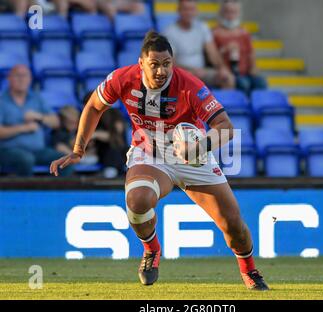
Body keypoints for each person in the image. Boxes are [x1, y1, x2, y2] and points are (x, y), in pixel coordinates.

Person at [50, 31, 269, 290]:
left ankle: (250, 270)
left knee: (233, 224)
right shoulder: (122, 78)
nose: (161, 71)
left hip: (193, 156)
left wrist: (200, 146)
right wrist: (78, 148)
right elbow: (95, 106)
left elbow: (226, 127)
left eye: (167, 64)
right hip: (149, 153)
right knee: (137, 200)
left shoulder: (190, 85)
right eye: (154, 64)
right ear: (141, 63)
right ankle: (152, 250)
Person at [0, 65, 73, 176]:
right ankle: (24, 192)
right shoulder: (2, 100)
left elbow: (56, 122)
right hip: (8, 150)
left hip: (38, 150)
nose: (21, 79)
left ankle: (53, 192)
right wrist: (23, 128)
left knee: (65, 160)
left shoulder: (37, 98)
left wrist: (39, 117)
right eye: (17, 75)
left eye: (24, 75)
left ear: (30, 79)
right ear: (9, 78)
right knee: (26, 160)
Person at [163, 0, 235, 89]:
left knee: (228, 78)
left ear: (196, 11)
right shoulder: (170, 32)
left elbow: (213, 53)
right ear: (178, 10)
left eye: (192, 9)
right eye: (185, 9)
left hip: (202, 72)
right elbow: (171, 62)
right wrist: (192, 71)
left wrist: (222, 67)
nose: (189, 13)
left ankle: (225, 103)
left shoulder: (202, 27)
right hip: (180, 73)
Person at [213, 0, 267, 95]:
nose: (230, 16)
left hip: (246, 72)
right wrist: (224, 50)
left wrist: (253, 67)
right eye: (227, 12)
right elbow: (212, 56)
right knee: (244, 84)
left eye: (233, 12)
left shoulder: (244, 32)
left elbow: (251, 52)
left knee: (261, 83)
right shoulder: (215, 33)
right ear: (221, 13)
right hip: (229, 74)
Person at [6, 0, 96, 18]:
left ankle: (62, 28)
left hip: (52, 5)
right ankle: (18, 27)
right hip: (33, 4)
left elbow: (89, 5)